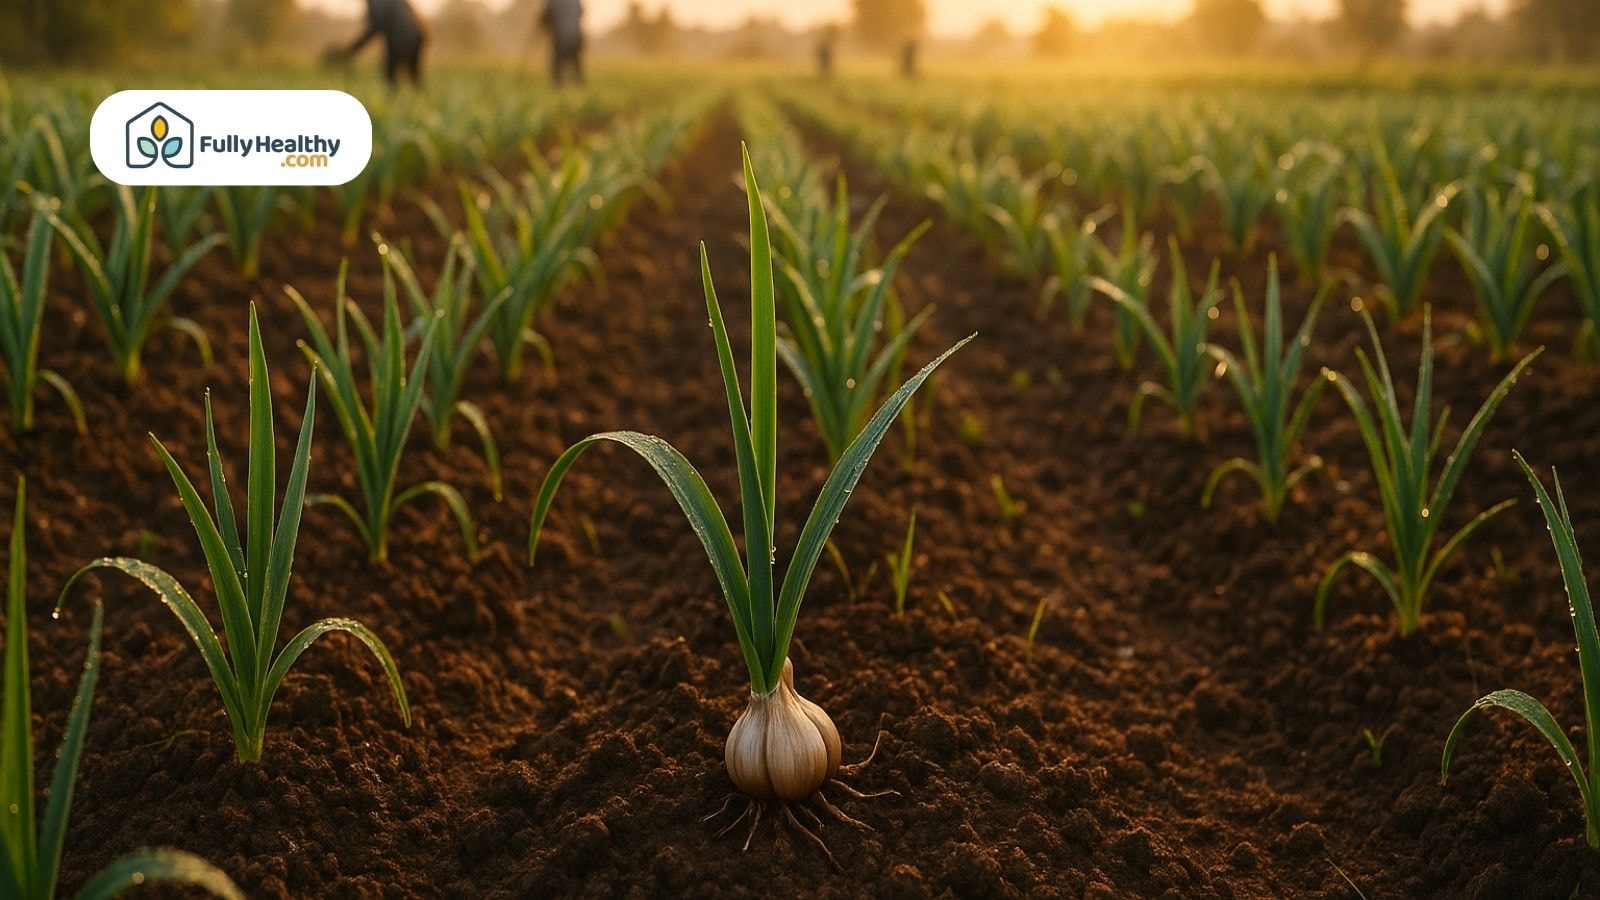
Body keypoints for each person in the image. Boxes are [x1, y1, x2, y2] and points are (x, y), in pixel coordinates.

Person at [346, 0, 426, 86]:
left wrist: (352, 50)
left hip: (401, 38)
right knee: (413, 76)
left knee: (390, 75)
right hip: (416, 35)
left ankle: (396, 96)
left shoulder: (375, 2)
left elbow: (375, 27)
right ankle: (418, 94)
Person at [541, 0, 584, 85]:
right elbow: (581, 12)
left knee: (557, 65)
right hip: (576, 36)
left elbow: (546, 15)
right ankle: (580, 85)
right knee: (575, 63)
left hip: (561, 37)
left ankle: (558, 87)